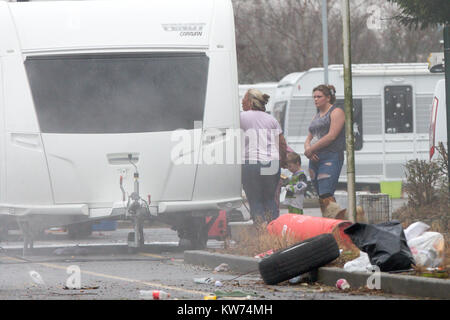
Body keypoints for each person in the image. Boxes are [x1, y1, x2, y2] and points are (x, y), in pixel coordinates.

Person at [240, 88, 287, 224]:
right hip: (272, 163)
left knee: (255, 200)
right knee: (269, 199)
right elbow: (282, 143)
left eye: (243, 99)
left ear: (249, 101)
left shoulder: (241, 117)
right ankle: (274, 232)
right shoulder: (271, 119)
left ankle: (261, 235)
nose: (242, 102)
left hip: (252, 163)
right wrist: (282, 160)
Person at [304, 84, 347, 219]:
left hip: (331, 156)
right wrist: (307, 149)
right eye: (314, 97)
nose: (316, 99)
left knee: (326, 193)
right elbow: (309, 137)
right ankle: (328, 221)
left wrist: (312, 149)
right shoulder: (316, 116)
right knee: (320, 196)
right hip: (314, 158)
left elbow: (331, 136)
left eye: (319, 96)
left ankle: (338, 223)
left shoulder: (336, 112)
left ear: (328, 98)